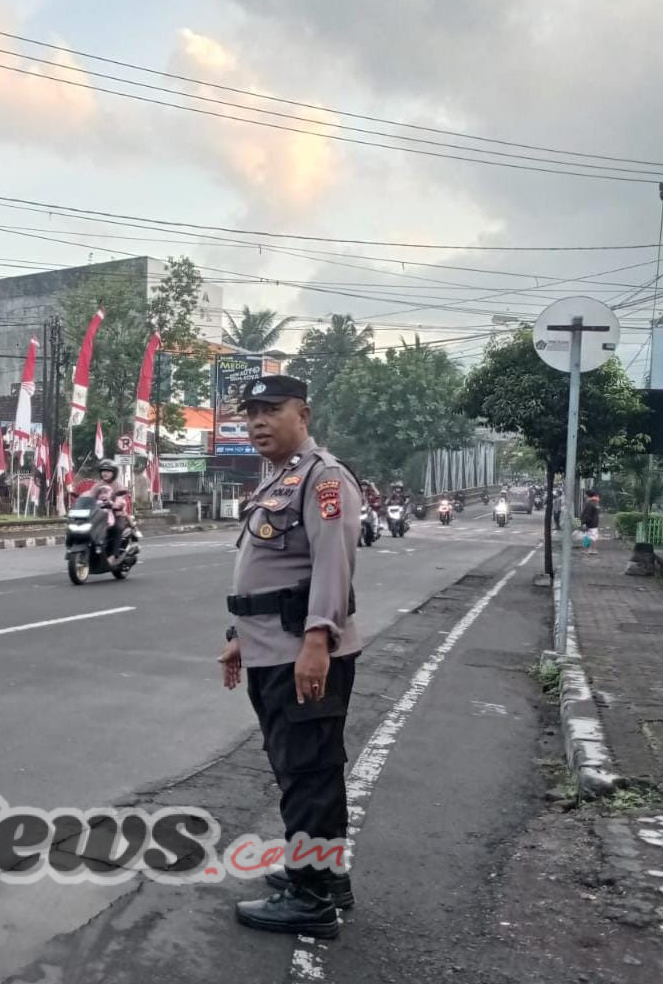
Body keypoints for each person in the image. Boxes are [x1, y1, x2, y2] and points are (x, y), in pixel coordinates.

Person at [217, 375, 361, 939]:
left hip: (301, 651)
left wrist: (317, 640)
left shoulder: (323, 477)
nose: (257, 421)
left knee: (307, 773)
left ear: (302, 413)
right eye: (251, 411)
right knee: (305, 769)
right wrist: (239, 637)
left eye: (271, 409)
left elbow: (332, 564)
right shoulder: (279, 476)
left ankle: (310, 899)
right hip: (272, 648)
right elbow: (271, 574)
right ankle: (325, 879)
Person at [580, 490, 601, 554]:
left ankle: (587, 550)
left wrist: (584, 523)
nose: (584, 495)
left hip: (589, 523)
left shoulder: (589, 503)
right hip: (595, 523)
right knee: (594, 537)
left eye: (585, 494)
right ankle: (593, 550)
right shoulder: (596, 503)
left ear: (587, 495)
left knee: (587, 537)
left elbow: (587, 514)